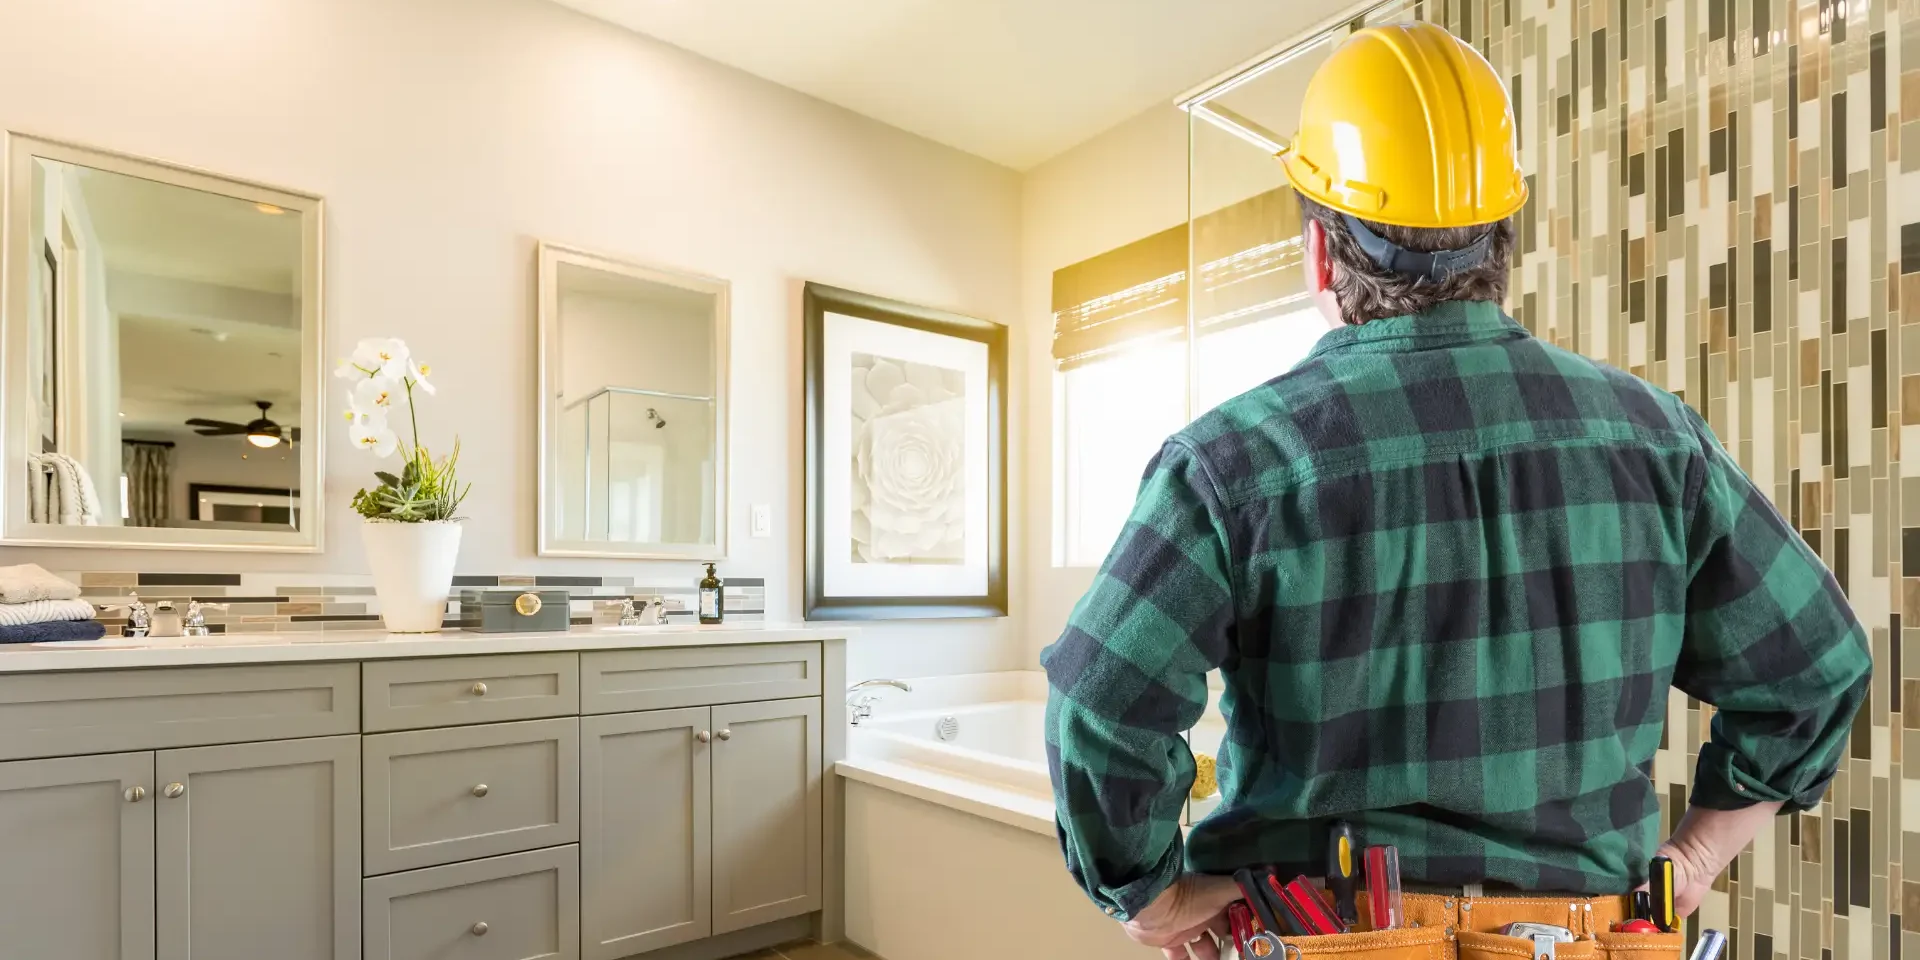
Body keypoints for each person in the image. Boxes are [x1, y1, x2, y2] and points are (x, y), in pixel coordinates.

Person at [1041, 21, 1871, 960]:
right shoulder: (1653, 442)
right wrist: (1699, 854)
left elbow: (1102, 703)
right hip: (1597, 939)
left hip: (1318, 935)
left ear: (1322, 252)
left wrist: (1151, 897)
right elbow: (1818, 669)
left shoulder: (1234, 461)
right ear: (1503, 241)